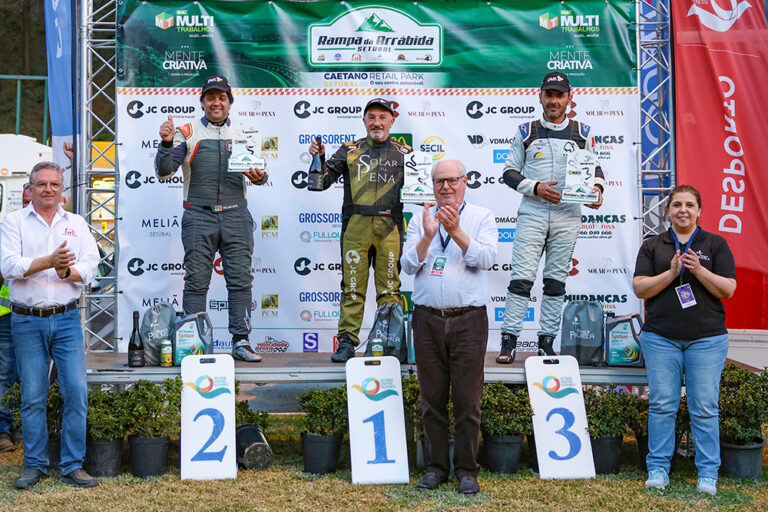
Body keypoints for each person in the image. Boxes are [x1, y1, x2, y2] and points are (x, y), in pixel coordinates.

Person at [0, 162, 100, 489]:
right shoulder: (13, 222)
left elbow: (91, 265)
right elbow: (8, 265)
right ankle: (35, 465)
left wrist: (65, 272)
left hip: (67, 318)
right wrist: (49, 261)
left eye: (54, 184)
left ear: (62, 190)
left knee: (77, 392)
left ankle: (72, 465)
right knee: (32, 396)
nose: (48, 189)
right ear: (30, 189)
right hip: (27, 319)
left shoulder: (76, 223)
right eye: (41, 184)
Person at [155, 75, 268, 362]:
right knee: (196, 281)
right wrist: (166, 144)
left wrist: (259, 175)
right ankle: (193, 344)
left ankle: (241, 341)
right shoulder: (186, 131)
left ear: (230, 102)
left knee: (240, 281)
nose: (216, 102)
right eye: (210, 97)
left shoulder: (244, 131)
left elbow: (261, 173)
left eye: (222, 97)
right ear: (202, 102)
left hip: (236, 215)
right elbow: (165, 171)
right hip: (199, 215)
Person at [401, 159, 498, 495]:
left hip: (468, 320)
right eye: (439, 181)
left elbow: (487, 259)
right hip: (427, 318)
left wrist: (456, 231)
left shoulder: (481, 216)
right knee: (431, 400)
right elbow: (407, 265)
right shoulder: (420, 218)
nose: (445, 187)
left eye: (452, 180)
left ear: (465, 182)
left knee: (467, 400)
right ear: (432, 185)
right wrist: (428, 236)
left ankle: (467, 470)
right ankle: (436, 468)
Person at [633, 185, 736, 496]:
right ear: (667, 210)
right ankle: (658, 469)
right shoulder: (653, 246)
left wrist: (699, 271)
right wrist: (671, 273)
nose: (683, 210)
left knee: (704, 406)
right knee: (662, 404)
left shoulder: (715, 244)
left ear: (699, 210)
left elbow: (728, 289)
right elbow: (640, 288)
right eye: (677, 204)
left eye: (690, 205)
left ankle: (708, 473)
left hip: (707, 339)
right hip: (660, 339)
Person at [497, 72, 605, 363]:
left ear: (570, 98)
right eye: (549, 95)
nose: (554, 101)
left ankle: (546, 342)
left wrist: (597, 190)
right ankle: (509, 341)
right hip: (532, 213)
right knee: (521, 279)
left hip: (567, 214)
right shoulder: (526, 131)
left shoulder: (583, 132)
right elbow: (509, 172)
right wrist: (536, 188)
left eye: (560, 95)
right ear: (540, 96)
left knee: (555, 282)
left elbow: (595, 169)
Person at [307, 98, 411, 362]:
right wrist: (319, 158)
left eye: (382, 117)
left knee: (390, 288)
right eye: (371, 117)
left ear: (392, 121)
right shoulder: (349, 149)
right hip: (356, 226)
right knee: (352, 287)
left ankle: (390, 342)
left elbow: (422, 190)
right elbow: (321, 182)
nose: (377, 122)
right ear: (364, 120)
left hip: (390, 227)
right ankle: (346, 342)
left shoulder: (406, 153)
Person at [0, 187, 30, 453]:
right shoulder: (9, 229)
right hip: (7, 316)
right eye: (24, 201)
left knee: (29, 374)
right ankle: (3, 430)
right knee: (5, 374)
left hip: (34, 313)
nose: (28, 205)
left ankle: (22, 427)